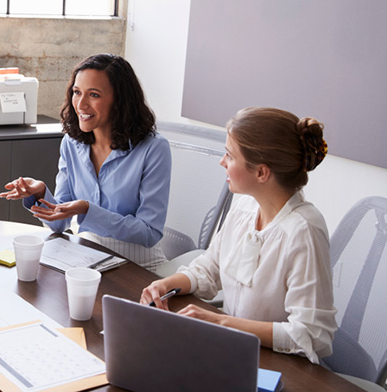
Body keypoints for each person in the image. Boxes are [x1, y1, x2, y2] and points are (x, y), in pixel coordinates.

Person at [140, 107, 337, 363]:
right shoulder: (246, 205)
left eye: (230, 156)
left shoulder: (303, 231)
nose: (222, 161)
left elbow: (310, 334)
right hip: (231, 349)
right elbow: (210, 267)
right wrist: (168, 284)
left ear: (261, 172)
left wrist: (221, 321)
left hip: (275, 364)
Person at [0, 53, 171, 269]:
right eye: (77, 92)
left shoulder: (153, 149)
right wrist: (41, 193)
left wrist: (88, 210)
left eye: (94, 95)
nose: (81, 104)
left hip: (139, 266)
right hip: (90, 258)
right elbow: (60, 224)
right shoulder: (71, 144)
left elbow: (149, 233)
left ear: (120, 101)